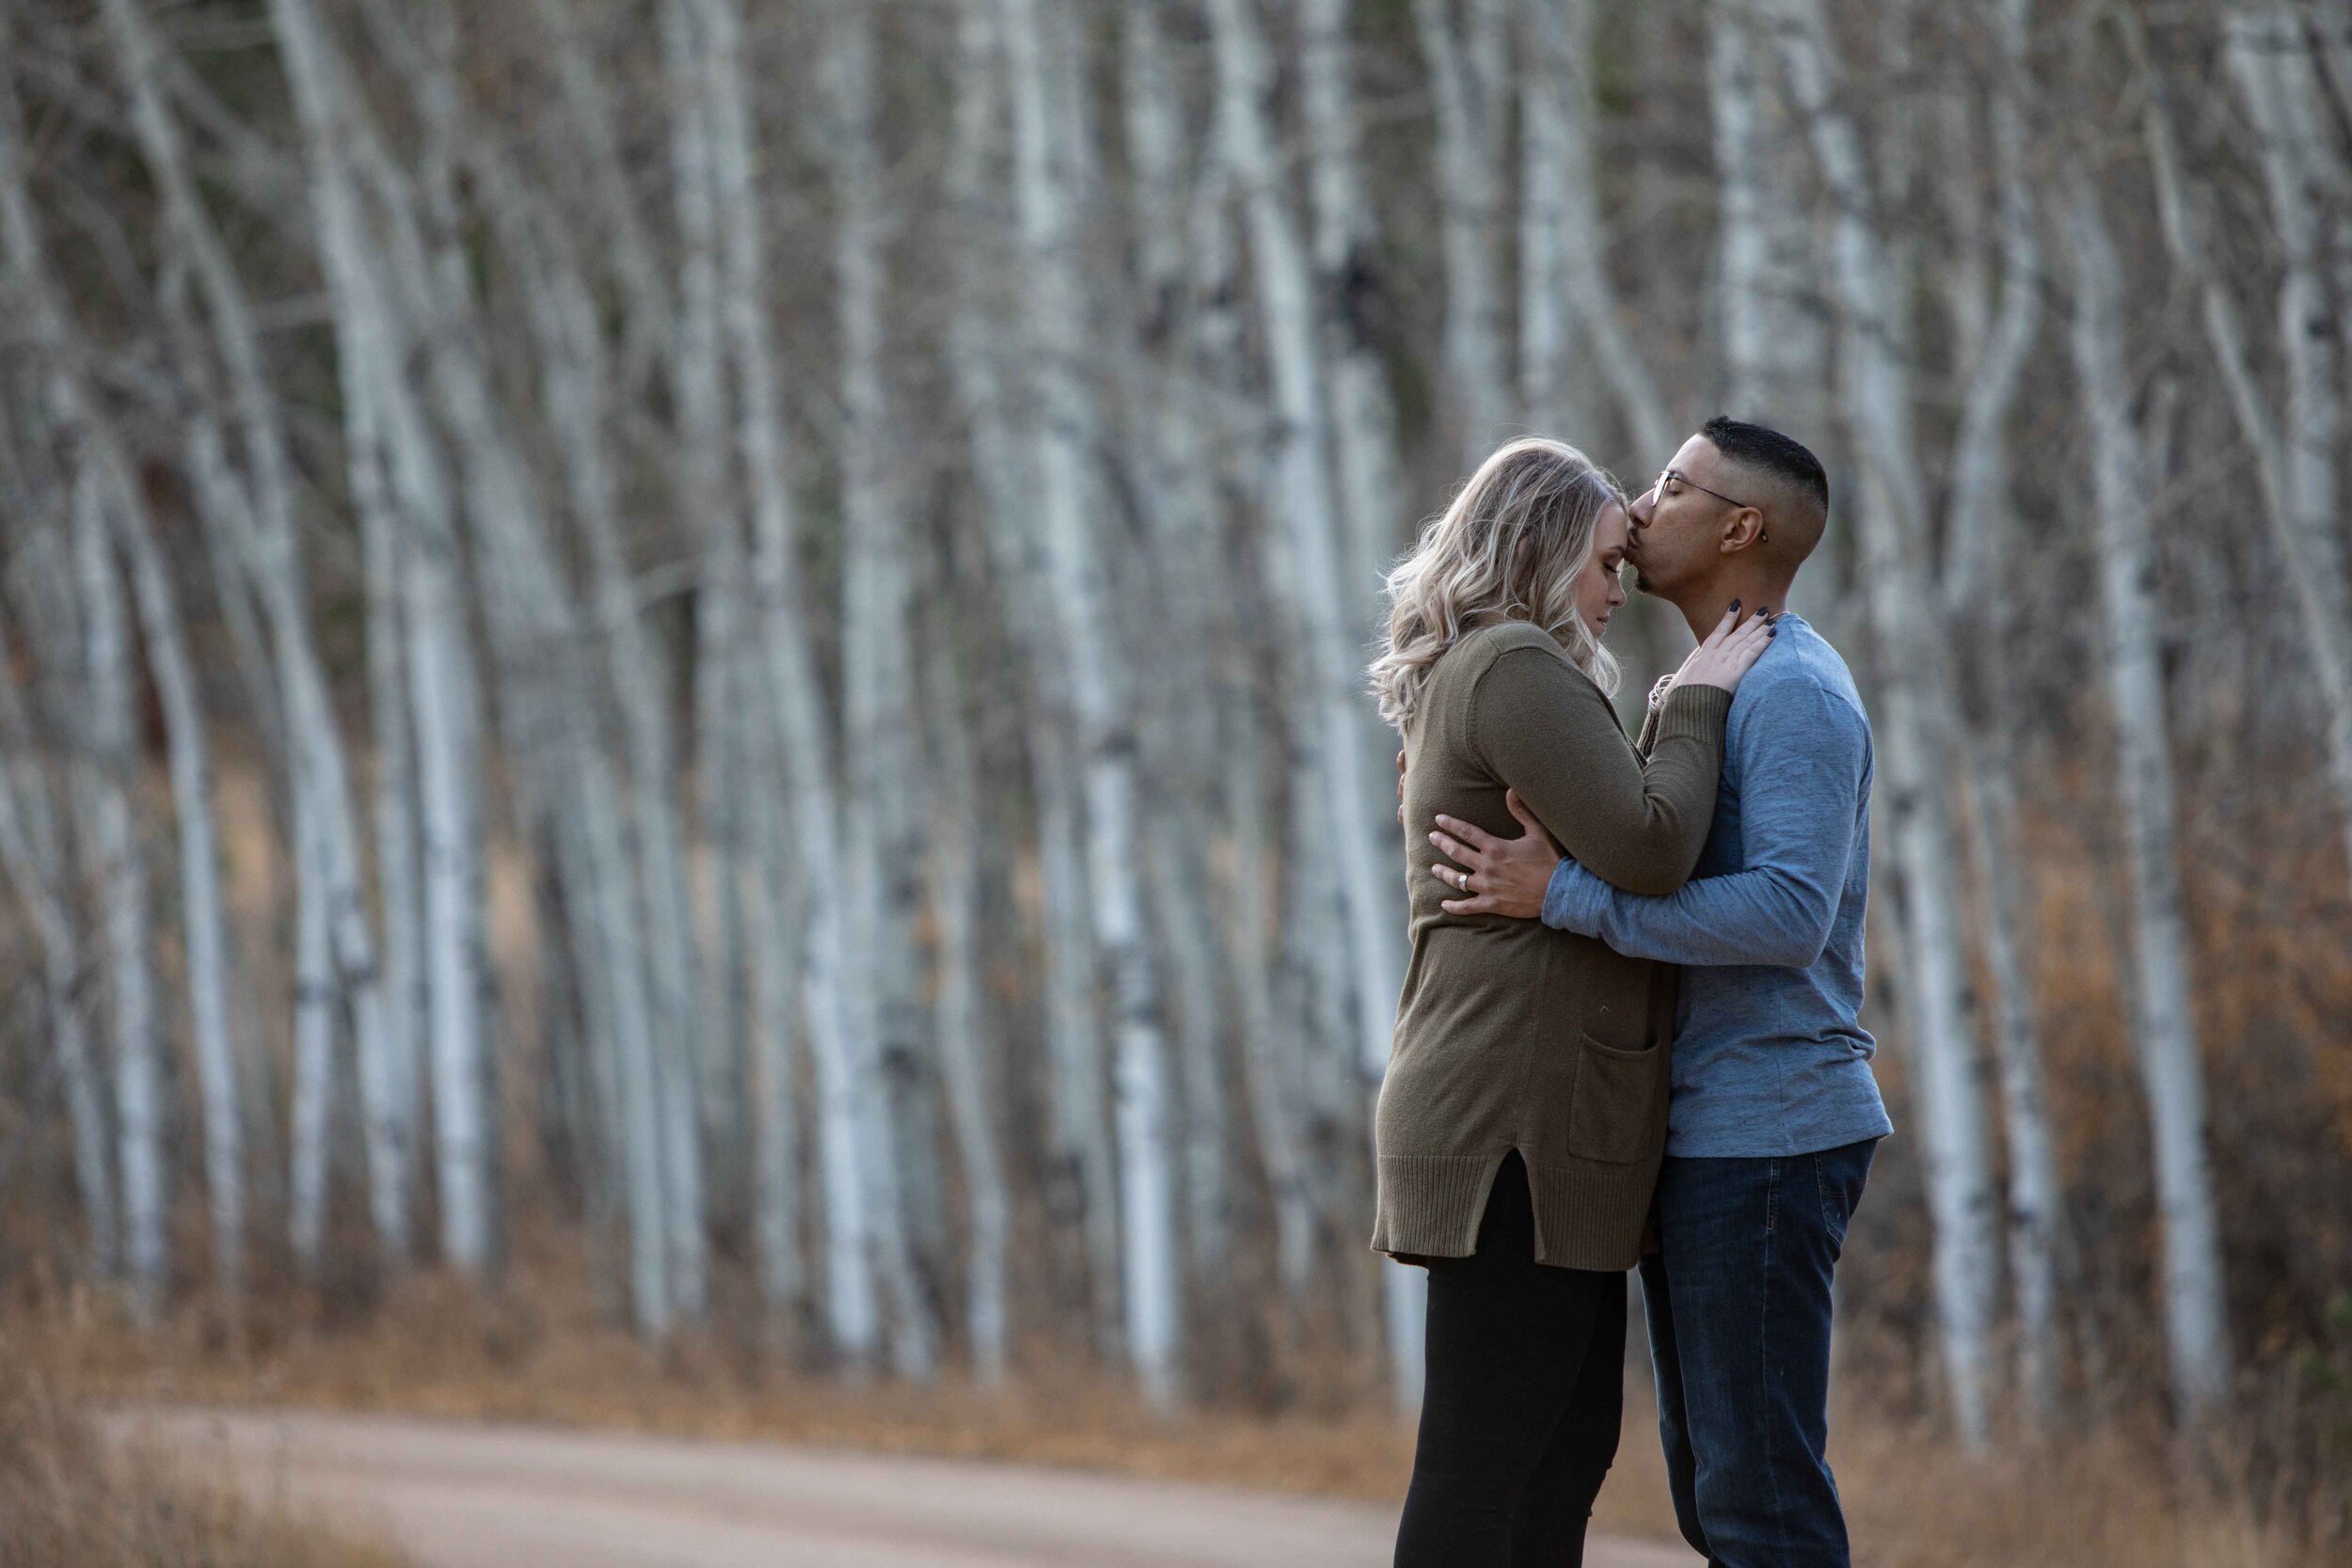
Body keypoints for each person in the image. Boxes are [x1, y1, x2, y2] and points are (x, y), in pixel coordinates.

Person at [1424, 418, 1894, 1568]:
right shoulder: (1703, 684)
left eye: (1673, 487)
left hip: (1771, 1129)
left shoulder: (1792, 693)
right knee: (1714, 1493)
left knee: (1757, 1497)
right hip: (1704, 1132)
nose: (1639, 506)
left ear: (1740, 528)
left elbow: (1788, 914)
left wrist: (1565, 897)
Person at [1367, 436, 1774, 1567]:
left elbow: (1620, 835)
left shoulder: (1504, 672)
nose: (1614, 588)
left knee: (1563, 1447)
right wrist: (1691, 704)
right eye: (1602, 562)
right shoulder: (1509, 664)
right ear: (1539, 550)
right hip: (1511, 1113)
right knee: (1488, 1456)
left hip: (1542, 1114)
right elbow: (1649, 847)